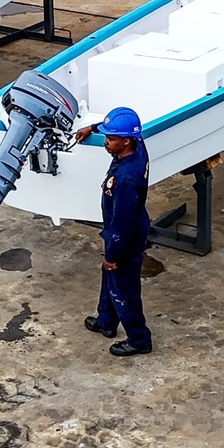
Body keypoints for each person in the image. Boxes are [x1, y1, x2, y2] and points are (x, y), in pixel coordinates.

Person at [76, 107, 152, 358]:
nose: (105, 142)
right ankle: (106, 321)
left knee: (123, 287)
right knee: (109, 277)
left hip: (124, 236)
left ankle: (139, 339)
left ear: (126, 141)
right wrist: (93, 128)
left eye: (110, 139)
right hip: (125, 227)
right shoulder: (137, 147)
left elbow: (123, 223)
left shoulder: (126, 179)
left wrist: (113, 254)